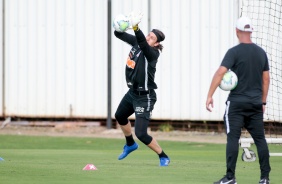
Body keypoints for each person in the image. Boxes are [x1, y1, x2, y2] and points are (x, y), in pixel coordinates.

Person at [206, 17, 271, 184]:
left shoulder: (233, 52)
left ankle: (230, 177)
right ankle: (265, 178)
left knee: (233, 139)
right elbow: (266, 79)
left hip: (236, 104)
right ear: (251, 31)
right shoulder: (261, 52)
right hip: (256, 104)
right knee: (260, 140)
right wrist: (263, 102)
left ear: (237, 31)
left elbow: (220, 72)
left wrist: (209, 95)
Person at [114, 12, 170, 166]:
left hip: (145, 97)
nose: (147, 38)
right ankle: (130, 144)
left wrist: (136, 27)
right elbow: (118, 34)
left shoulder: (153, 53)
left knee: (141, 133)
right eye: (148, 35)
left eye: (152, 38)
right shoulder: (138, 43)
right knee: (120, 115)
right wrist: (120, 24)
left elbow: (143, 44)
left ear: (157, 44)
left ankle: (163, 156)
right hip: (132, 93)